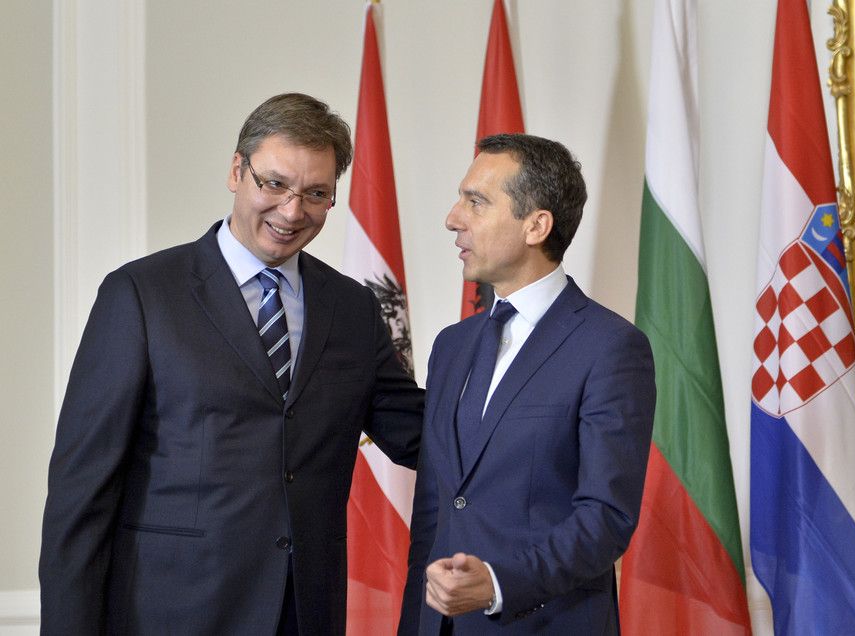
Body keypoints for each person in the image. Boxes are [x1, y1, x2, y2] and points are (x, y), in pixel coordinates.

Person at [39, 93, 424, 635]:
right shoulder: (142, 295)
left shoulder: (352, 308)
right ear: (236, 171)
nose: (292, 211)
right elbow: (82, 491)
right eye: (275, 184)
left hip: (303, 613)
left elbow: (420, 434)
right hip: (170, 616)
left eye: (316, 193)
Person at [399, 133, 656, 634]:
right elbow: (433, 510)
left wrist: (498, 584)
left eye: (476, 201)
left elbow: (606, 517)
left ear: (536, 225)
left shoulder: (610, 347)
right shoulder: (451, 346)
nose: (453, 218)